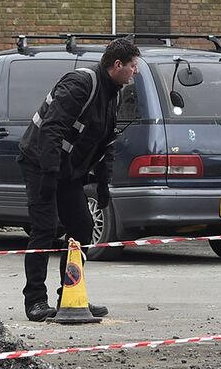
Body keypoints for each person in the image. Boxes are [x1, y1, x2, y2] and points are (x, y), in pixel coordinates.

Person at [17, 37, 142, 321]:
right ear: (117, 65)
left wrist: (102, 184)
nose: (136, 72)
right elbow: (51, 130)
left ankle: (70, 294)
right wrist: (49, 176)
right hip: (40, 163)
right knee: (44, 229)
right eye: (134, 66)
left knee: (82, 228)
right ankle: (35, 301)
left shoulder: (115, 94)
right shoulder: (80, 85)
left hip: (68, 170)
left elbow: (106, 143)